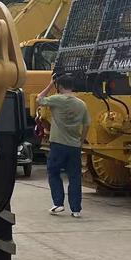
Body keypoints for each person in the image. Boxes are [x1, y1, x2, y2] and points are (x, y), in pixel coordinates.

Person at [37, 74, 91, 217]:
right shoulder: (81, 104)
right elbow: (87, 125)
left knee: (53, 172)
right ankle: (76, 209)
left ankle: (58, 203)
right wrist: (81, 141)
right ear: (72, 86)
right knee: (74, 177)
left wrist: (49, 85)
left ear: (59, 87)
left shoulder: (56, 99)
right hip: (74, 145)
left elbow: (39, 99)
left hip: (58, 144)